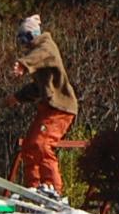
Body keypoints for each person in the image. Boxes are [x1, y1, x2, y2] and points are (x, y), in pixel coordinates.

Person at [9, 14, 77, 199]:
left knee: (43, 144)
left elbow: (38, 56)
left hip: (61, 108)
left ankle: (53, 188)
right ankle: (34, 186)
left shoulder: (47, 47)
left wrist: (23, 65)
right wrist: (17, 97)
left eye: (24, 38)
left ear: (32, 35)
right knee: (30, 145)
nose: (22, 43)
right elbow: (37, 88)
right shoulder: (39, 55)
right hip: (48, 108)